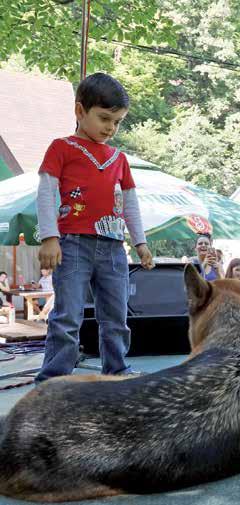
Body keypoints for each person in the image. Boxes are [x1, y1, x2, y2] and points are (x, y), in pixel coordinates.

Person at [35, 72, 154, 382]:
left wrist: (140, 243)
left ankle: (116, 369)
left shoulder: (119, 158)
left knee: (116, 316)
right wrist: (50, 237)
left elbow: (130, 203)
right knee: (68, 316)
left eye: (117, 122)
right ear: (79, 111)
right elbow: (46, 191)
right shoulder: (61, 148)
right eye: (104, 119)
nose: (111, 128)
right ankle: (54, 379)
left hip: (114, 247)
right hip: (72, 244)